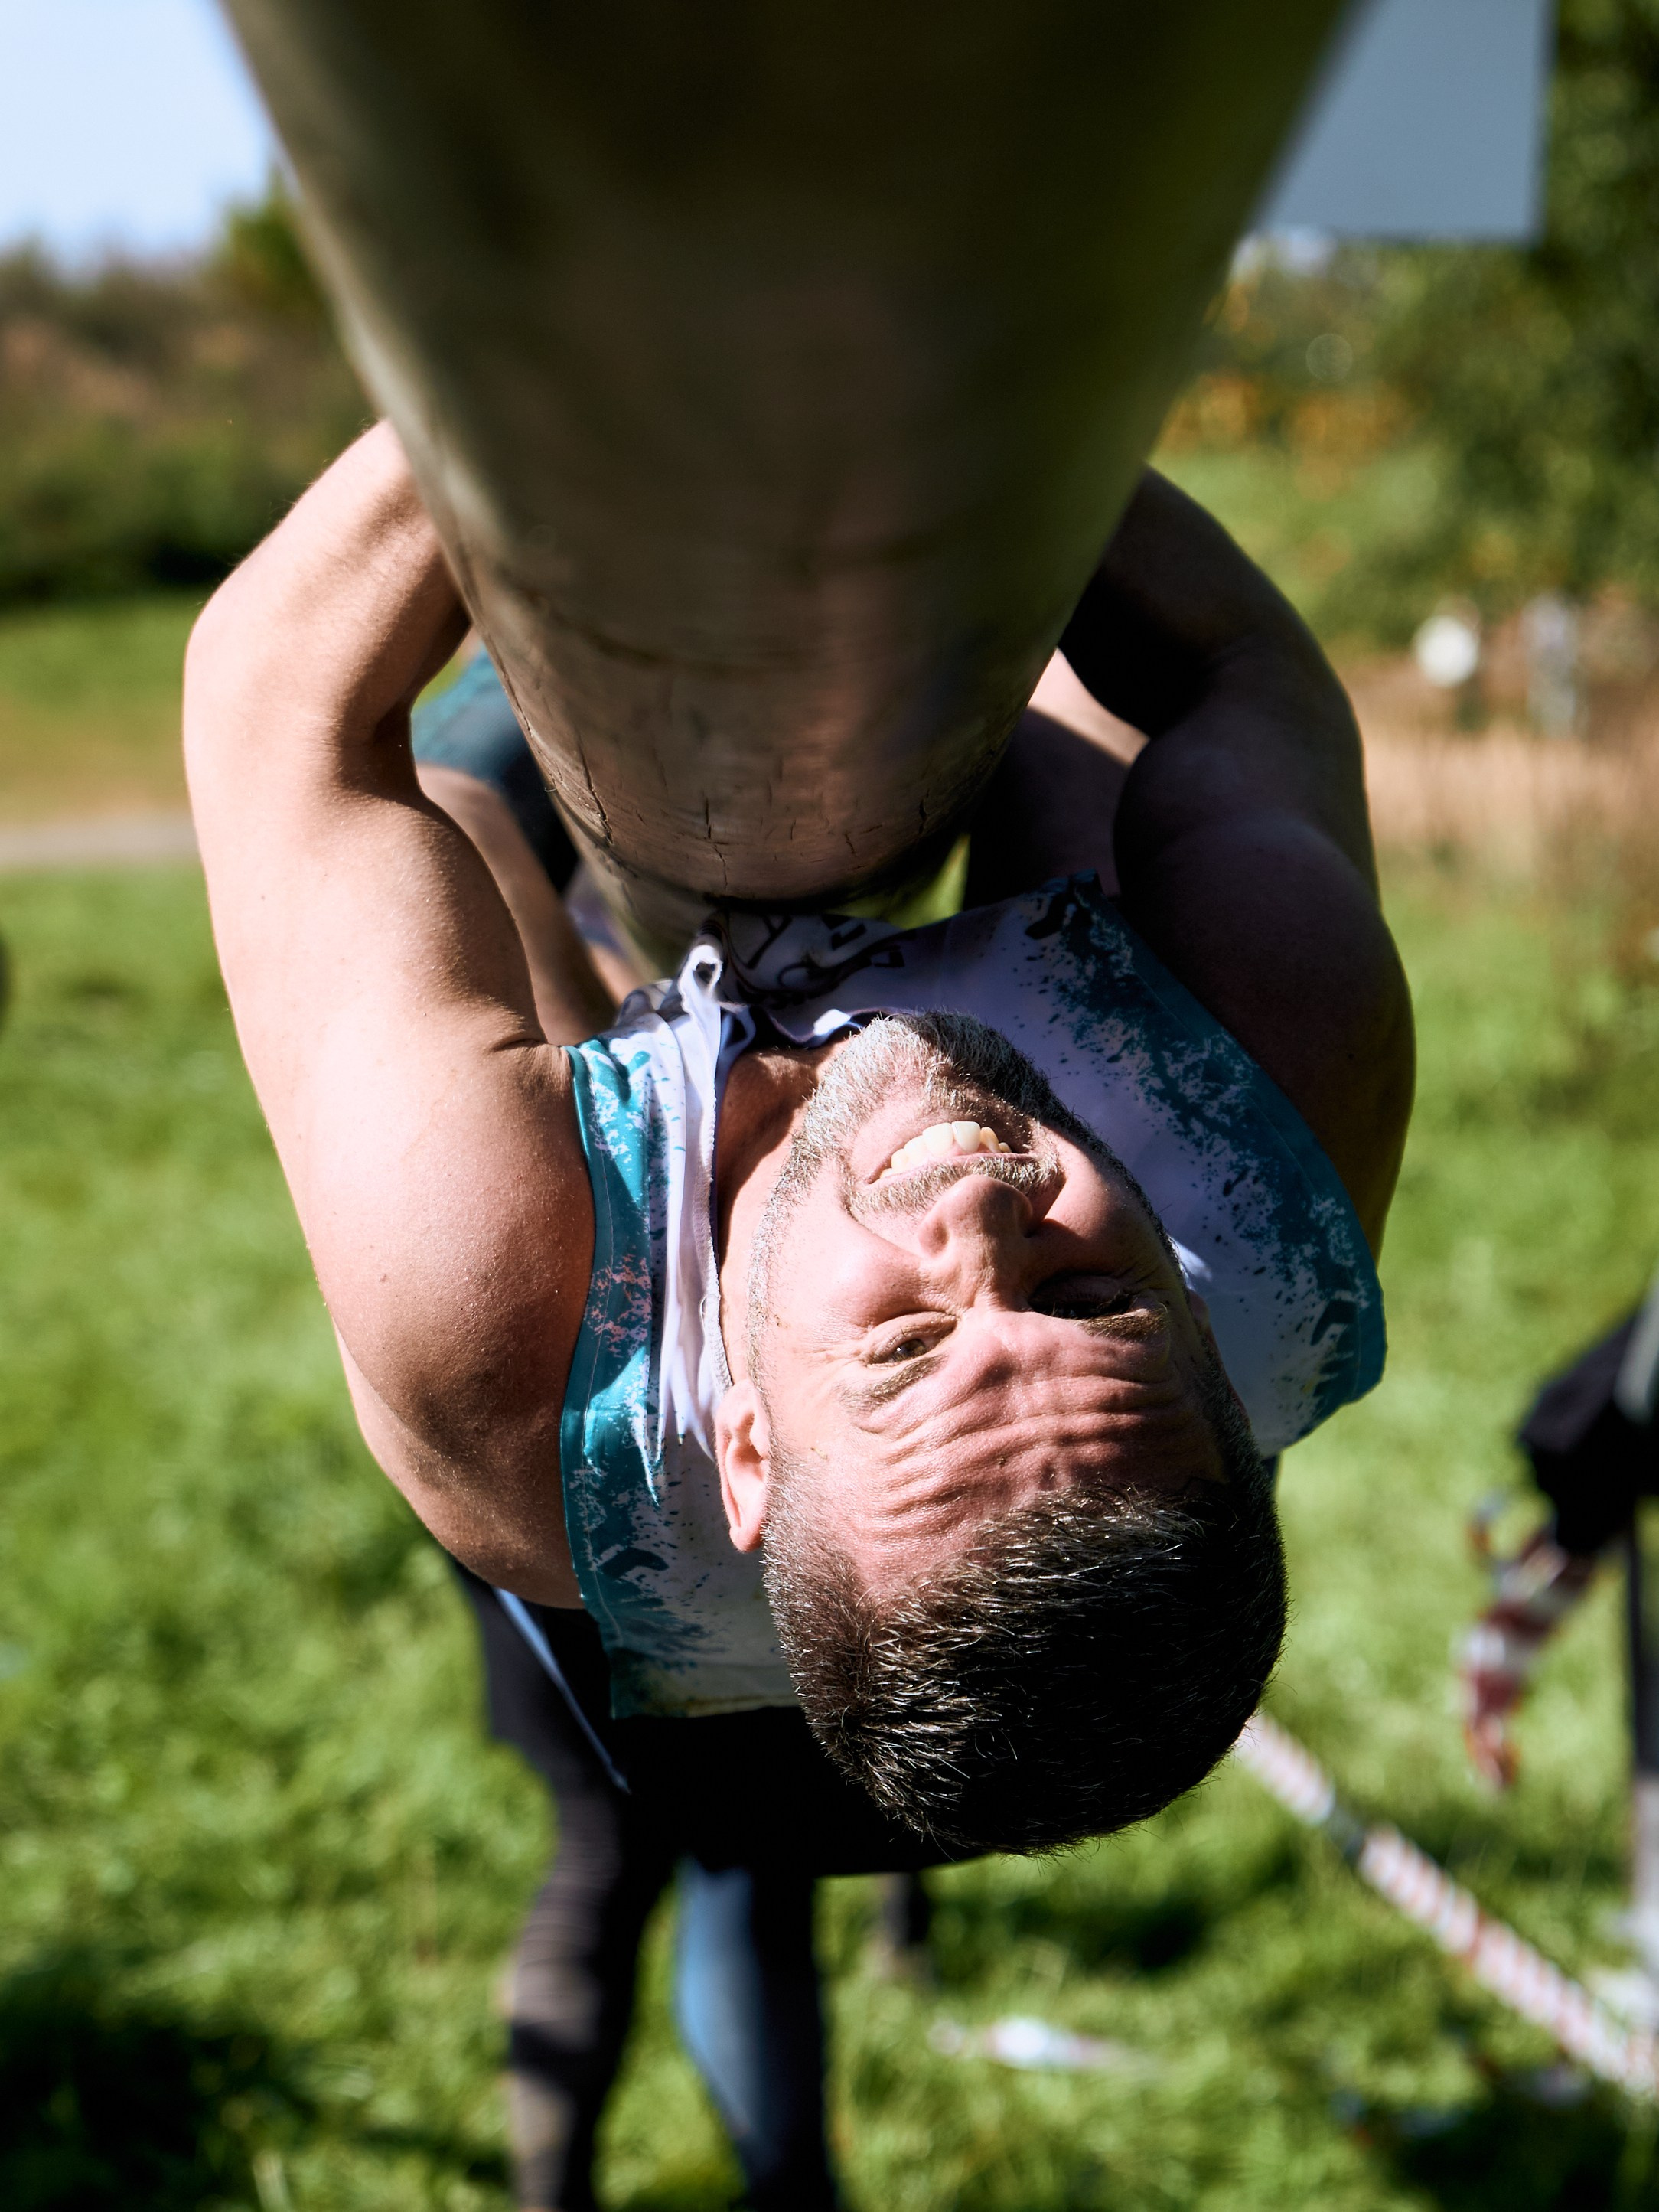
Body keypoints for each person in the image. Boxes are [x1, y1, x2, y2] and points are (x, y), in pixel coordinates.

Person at [184, 422, 1413, 2207]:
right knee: (1054, 721)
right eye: (1084, 1293)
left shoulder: (514, 1309)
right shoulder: (1253, 1117)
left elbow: (276, 700)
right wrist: (975, 399)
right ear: (1202, 1339)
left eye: (910, 1343)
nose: (975, 1212)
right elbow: (1232, 661)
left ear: (743, 1437)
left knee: (459, 807)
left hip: (687, 1625)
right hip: (1035, 1364)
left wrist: (541, 369)